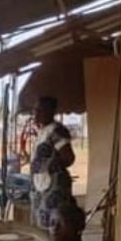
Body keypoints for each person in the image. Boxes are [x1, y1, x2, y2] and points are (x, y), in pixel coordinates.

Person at [29, 95, 76, 228]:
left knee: (55, 225)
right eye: (35, 110)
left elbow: (69, 158)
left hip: (54, 187)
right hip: (42, 186)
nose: (36, 114)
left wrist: (50, 168)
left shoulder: (56, 131)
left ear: (51, 112)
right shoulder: (43, 131)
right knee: (43, 226)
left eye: (40, 110)